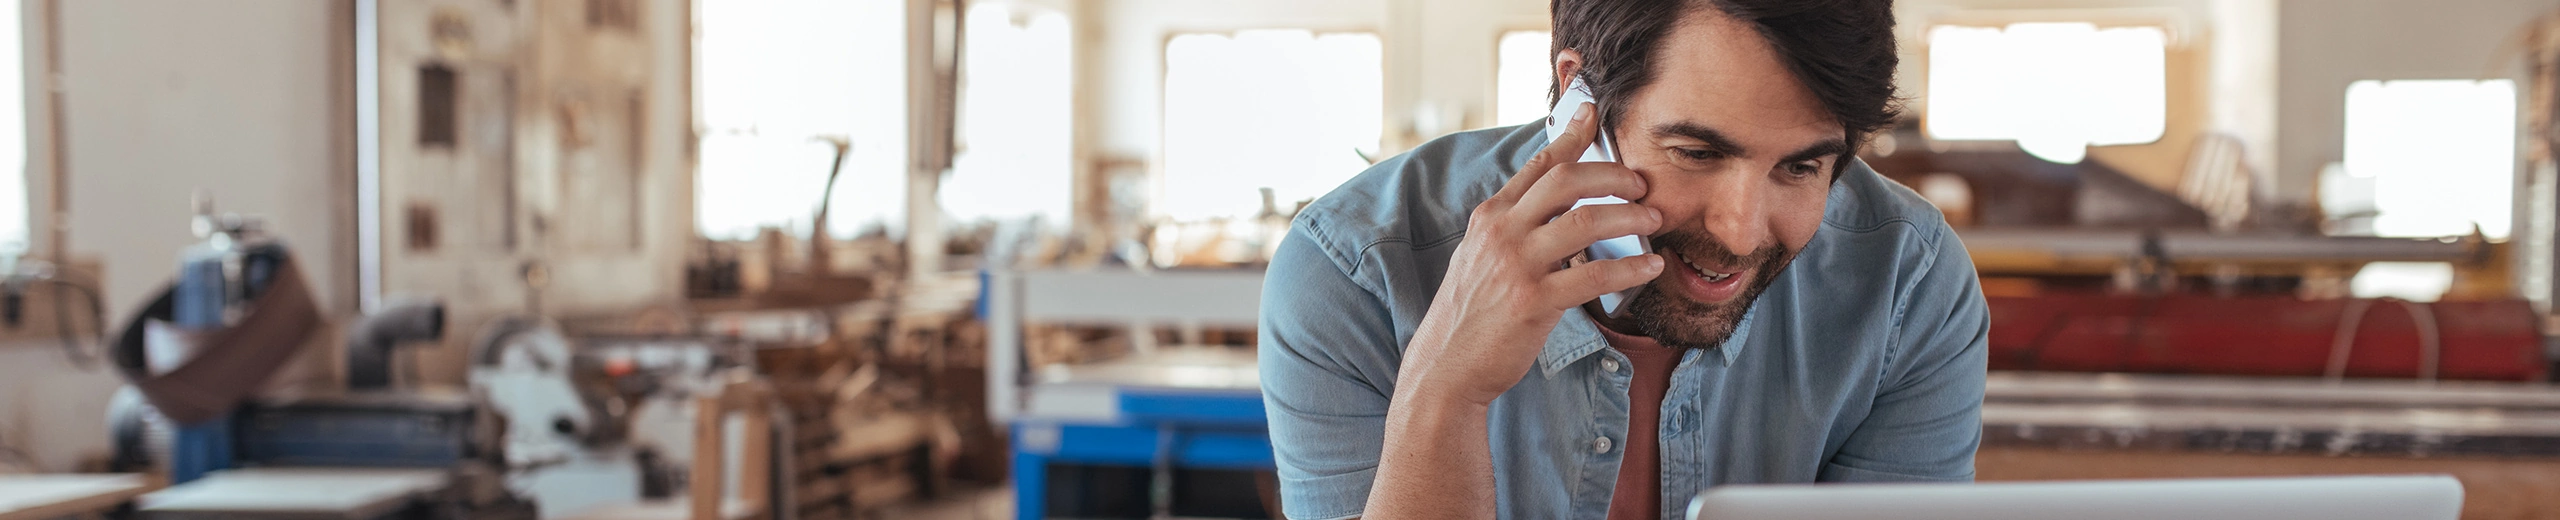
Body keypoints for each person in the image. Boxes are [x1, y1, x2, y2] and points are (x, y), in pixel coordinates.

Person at [1256, 0, 1987, 518]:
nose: (1738, 232)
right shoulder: (1353, 273)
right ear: (1580, 96)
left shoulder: (1908, 281)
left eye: (1800, 168)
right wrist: (1445, 392)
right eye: (1696, 153)